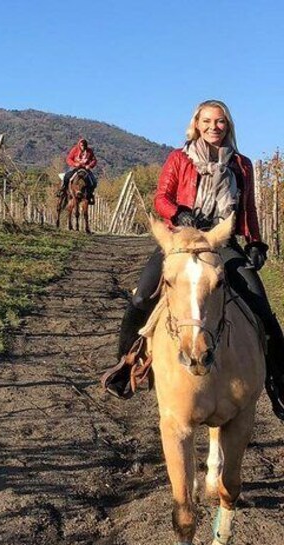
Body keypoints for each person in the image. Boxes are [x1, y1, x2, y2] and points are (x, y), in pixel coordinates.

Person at [103, 99, 284, 419]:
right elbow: (162, 197)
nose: (214, 127)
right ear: (196, 125)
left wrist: (255, 241)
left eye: (221, 122)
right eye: (207, 122)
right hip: (181, 240)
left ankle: (277, 380)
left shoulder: (241, 164)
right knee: (143, 294)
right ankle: (126, 365)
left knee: (259, 305)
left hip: (221, 242)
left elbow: (249, 208)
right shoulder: (178, 158)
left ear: (228, 126)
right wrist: (179, 213)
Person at [59, 138, 98, 204]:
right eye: (81, 145)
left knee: (94, 181)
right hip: (75, 167)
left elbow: (94, 160)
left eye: (84, 145)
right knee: (66, 176)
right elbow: (69, 159)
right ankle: (63, 190)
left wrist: (90, 165)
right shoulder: (75, 150)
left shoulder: (89, 151)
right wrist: (74, 164)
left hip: (85, 169)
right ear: (79, 145)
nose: (83, 146)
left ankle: (90, 194)